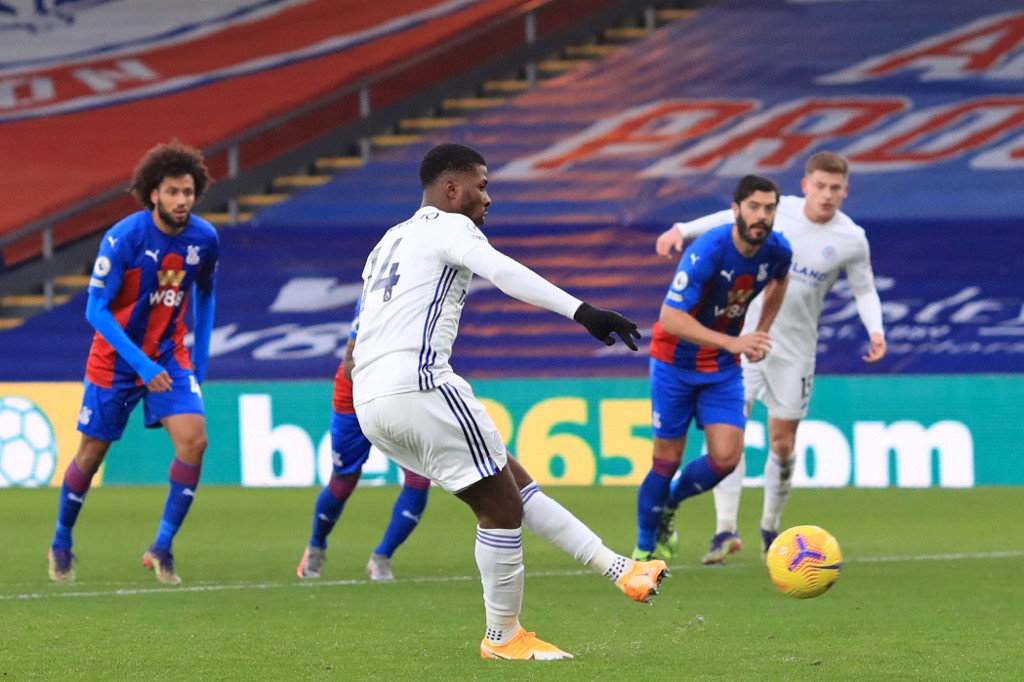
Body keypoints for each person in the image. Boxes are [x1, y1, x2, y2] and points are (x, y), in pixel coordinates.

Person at [352, 143, 666, 661]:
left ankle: (623, 570)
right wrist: (582, 311)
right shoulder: (451, 227)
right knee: (500, 508)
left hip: (372, 400)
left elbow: (364, 324)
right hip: (421, 383)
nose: (487, 197)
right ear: (452, 188)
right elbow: (503, 272)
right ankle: (504, 636)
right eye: (481, 185)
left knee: (511, 485)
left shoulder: (389, 240)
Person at [654, 152, 886, 564]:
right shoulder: (779, 213)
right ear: (806, 184)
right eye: (820, 186)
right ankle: (724, 529)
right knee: (729, 435)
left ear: (846, 191)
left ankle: (771, 527)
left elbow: (864, 288)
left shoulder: (852, 238)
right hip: (742, 340)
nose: (827, 195)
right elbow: (728, 222)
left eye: (836, 188)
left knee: (783, 443)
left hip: (795, 349)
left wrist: (876, 330)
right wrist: (682, 229)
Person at [47, 140, 218, 585]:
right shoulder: (124, 238)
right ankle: (62, 540)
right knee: (91, 454)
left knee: (195, 441)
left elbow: (205, 293)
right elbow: (95, 309)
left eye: (188, 192)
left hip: (169, 354)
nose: (182, 200)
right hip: (118, 358)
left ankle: (161, 547)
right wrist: (141, 365)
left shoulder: (204, 239)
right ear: (153, 194)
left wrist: (197, 363)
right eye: (173, 192)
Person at [633, 175, 792, 563]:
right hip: (675, 362)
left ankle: (670, 506)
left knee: (726, 458)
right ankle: (642, 550)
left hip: (721, 366)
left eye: (769, 209)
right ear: (736, 210)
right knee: (667, 459)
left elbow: (780, 281)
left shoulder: (777, 250)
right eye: (754, 207)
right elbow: (670, 318)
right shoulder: (709, 250)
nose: (762, 216)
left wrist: (760, 332)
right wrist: (736, 342)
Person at [296, 301, 431, 582]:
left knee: (419, 477)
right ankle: (316, 546)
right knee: (344, 479)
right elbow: (349, 366)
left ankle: (382, 557)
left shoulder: (428, 295)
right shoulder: (376, 290)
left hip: (401, 389)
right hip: (356, 387)